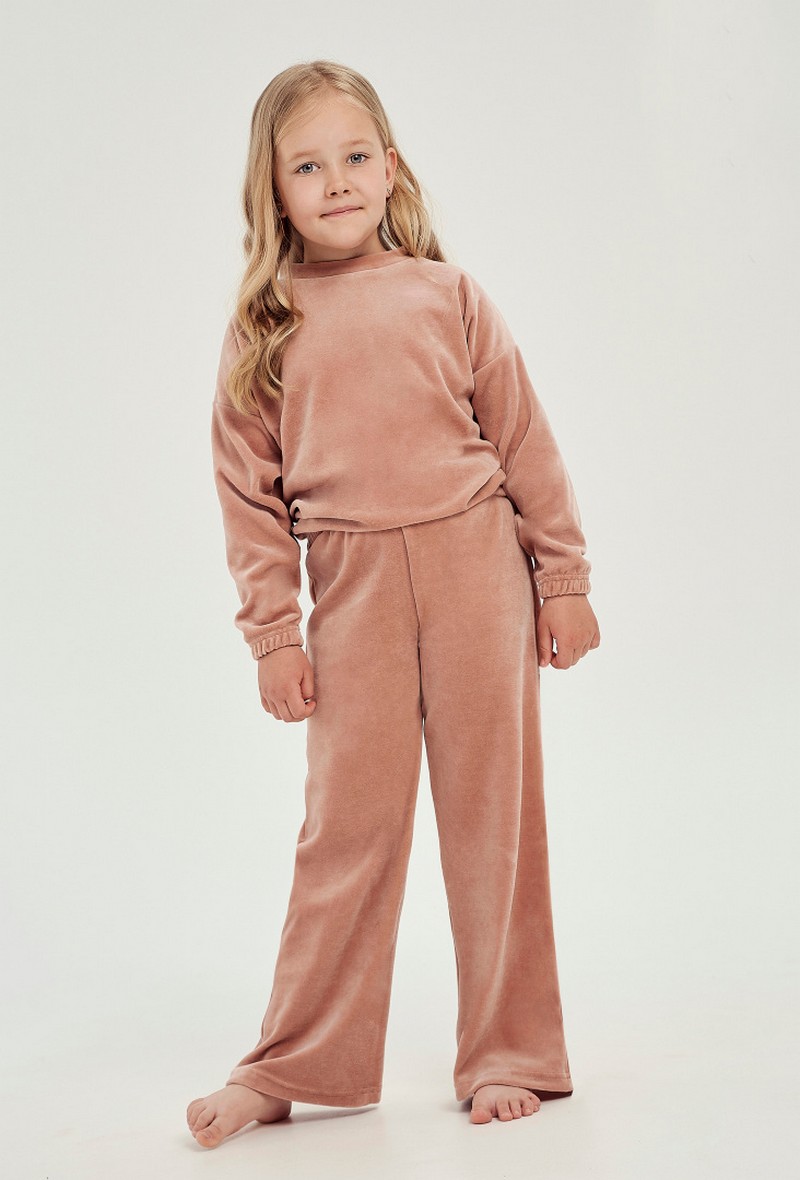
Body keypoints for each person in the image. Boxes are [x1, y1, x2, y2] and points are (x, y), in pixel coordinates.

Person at [187, 58, 600, 1150]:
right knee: (344, 831)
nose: (336, 181)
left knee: (494, 820)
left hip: (478, 570)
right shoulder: (265, 327)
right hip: (352, 587)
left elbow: (525, 442)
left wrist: (561, 578)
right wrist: (273, 635)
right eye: (307, 166)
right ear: (273, 191)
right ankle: (291, 1061)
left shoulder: (448, 294)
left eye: (355, 156)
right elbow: (248, 500)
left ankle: (510, 1051)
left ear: (391, 167)